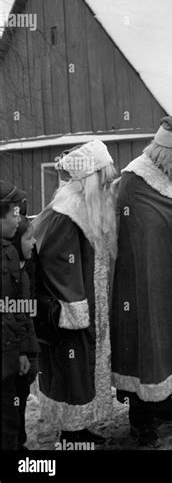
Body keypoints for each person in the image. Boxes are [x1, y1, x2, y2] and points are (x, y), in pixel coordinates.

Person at [111, 115, 172, 446]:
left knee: (164, 337)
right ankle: (140, 419)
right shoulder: (136, 180)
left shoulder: (163, 177)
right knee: (144, 341)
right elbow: (148, 226)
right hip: (139, 284)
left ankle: (163, 402)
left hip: (166, 279)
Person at [33, 140, 117, 444]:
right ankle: (71, 431)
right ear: (90, 179)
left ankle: (78, 426)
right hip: (71, 313)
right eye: (105, 176)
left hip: (87, 308)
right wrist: (74, 303)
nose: (110, 181)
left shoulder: (85, 207)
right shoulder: (66, 212)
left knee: (82, 368)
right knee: (72, 369)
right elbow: (55, 260)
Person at [1, 181, 31, 450]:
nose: (19, 217)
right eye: (14, 213)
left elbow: (17, 308)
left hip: (8, 358)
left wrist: (21, 350)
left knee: (10, 423)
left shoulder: (10, 252)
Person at [10, 216, 40, 450]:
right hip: (16, 353)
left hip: (27, 350)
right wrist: (21, 352)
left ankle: (19, 441)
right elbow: (14, 320)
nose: (34, 242)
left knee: (19, 404)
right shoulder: (11, 277)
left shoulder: (26, 271)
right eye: (29, 238)